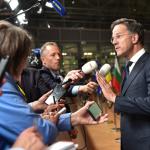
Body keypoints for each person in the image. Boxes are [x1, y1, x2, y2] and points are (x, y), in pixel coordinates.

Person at [0, 20, 108, 149]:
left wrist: (72, 117)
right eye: (53, 55)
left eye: (59, 54)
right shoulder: (37, 75)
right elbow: (53, 96)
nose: (58, 57)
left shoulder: (54, 75)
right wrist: (67, 83)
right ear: (43, 60)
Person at [96, 18, 150, 150]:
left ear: (134, 38)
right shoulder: (128, 67)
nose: (114, 41)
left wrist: (114, 98)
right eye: (112, 38)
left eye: (118, 36)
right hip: (129, 141)